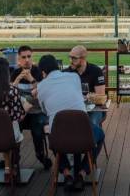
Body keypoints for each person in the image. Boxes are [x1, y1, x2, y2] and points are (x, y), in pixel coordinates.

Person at [36, 54, 104, 192]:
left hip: (59, 135)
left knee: (52, 136)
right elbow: (78, 95)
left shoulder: (41, 86)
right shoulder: (74, 77)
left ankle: (67, 174)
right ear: (57, 66)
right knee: (100, 135)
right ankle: (82, 174)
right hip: (83, 130)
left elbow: (44, 109)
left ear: (43, 72)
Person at [11, 45, 50, 169]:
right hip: (21, 111)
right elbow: (10, 94)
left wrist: (31, 79)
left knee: (37, 129)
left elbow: (43, 94)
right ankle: (13, 159)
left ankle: (41, 155)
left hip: (37, 111)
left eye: (29, 56)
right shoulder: (15, 73)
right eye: (24, 57)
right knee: (13, 127)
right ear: (19, 59)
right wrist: (16, 81)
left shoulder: (39, 72)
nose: (27, 60)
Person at [64, 45, 106, 126]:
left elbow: (100, 96)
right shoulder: (66, 73)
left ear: (83, 59)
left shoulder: (96, 71)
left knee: (92, 123)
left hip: (94, 109)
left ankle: (97, 138)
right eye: (70, 57)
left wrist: (86, 98)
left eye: (74, 58)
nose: (71, 60)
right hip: (74, 108)